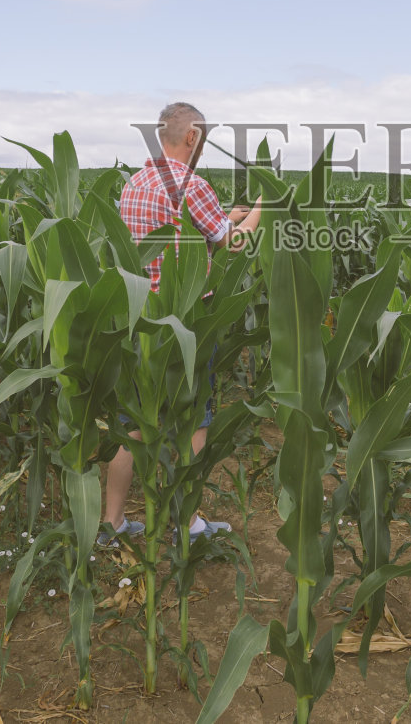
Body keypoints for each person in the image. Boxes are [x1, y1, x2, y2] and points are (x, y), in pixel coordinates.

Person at [100, 102, 260, 545]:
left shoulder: (134, 182)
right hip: (184, 324)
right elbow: (234, 245)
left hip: (137, 323)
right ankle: (187, 525)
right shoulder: (193, 184)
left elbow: (170, 230)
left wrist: (224, 216)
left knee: (131, 424)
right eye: (203, 140)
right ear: (191, 137)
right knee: (193, 420)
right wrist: (264, 207)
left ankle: (111, 525)